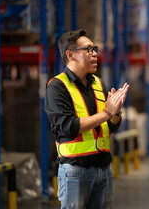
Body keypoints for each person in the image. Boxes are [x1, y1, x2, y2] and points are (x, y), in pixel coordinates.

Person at [45, 29, 129, 209]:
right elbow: (69, 126)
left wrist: (116, 113)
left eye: (95, 49)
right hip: (75, 171)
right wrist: (107, 113)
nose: (95, 54)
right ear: (71, 54)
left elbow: (109, 127)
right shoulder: (57, 87)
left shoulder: (98, 84)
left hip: (103, 169)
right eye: (88, 50)